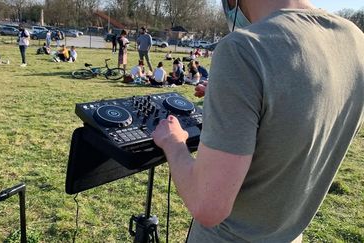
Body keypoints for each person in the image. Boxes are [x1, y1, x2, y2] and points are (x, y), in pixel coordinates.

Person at [151, 0, 364, 242]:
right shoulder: (355, 40)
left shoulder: (244, 48)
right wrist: (239, 96)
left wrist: (174, 143)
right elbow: (303, 103)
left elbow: (208, 205)